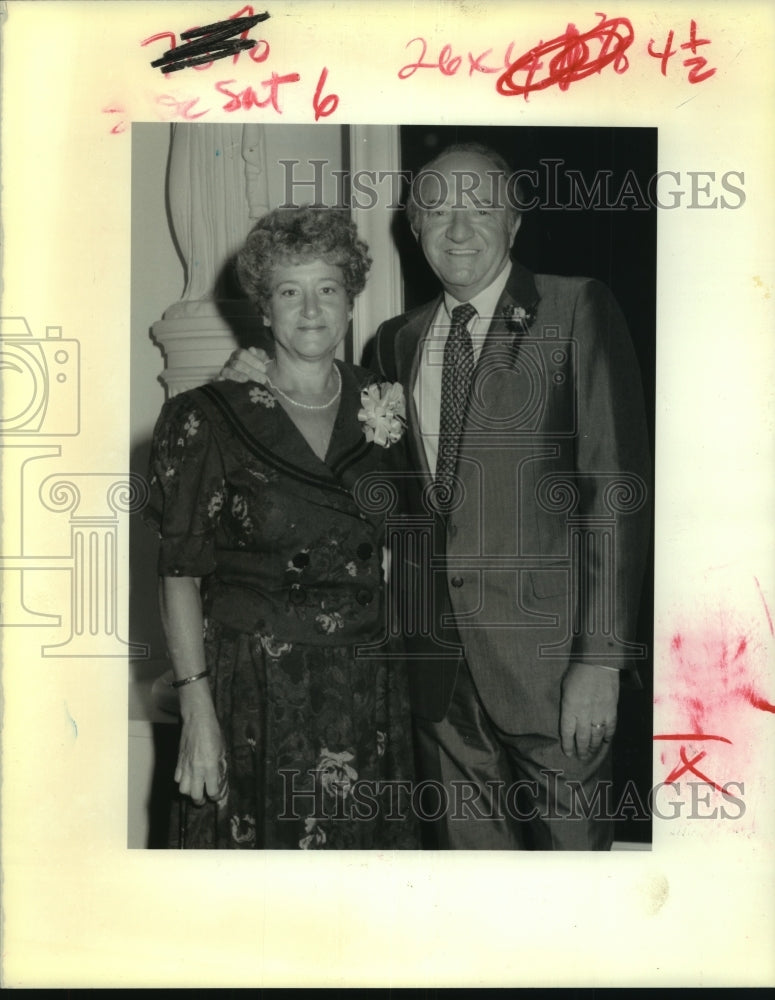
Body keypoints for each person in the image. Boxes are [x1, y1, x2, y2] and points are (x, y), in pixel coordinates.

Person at [223, 143, 651, 850]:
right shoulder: (395, 342)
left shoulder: (575, 308)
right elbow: (348, 475)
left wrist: (601, 660)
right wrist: (259, 380)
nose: (457, 230)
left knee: (575, 896)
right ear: (413, 228)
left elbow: (614, 492)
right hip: (433, 671)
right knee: (469, 895)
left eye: (478, 210)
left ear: (513, 224)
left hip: (548, 671)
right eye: (436, 212)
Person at [144, 206, 419, 850]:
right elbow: (178, 576)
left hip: (368, 689)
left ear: (351, 301)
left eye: (328, 289)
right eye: (289, 293)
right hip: (255, 692)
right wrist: (196, 711)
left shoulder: (383, 400)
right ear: (263, 309)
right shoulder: (205, 417)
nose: (311, 309)